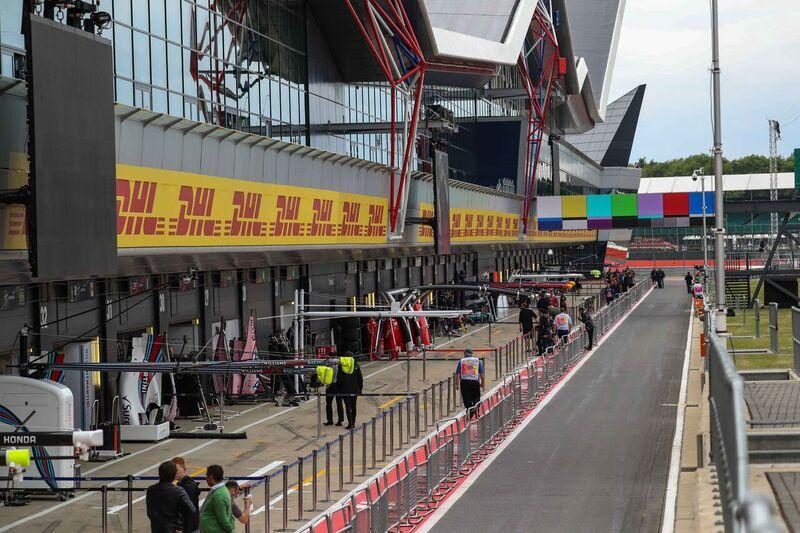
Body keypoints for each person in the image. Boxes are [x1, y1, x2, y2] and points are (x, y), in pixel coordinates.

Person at [145, 460, 196, 533]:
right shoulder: (178, 491)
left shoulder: (151, 489)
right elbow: (192, 510)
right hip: (174, 528)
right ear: (174, 474)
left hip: (156, 528)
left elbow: (150, 512)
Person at [199, 465, 236, 533]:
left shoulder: (218, 495)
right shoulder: (221, 490)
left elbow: (223, 520)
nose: (206, 478)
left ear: (211, 477)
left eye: (206, 476)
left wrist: (231, 531)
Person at [173, 456, 200, 533]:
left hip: (189, 528)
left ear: (184, 469)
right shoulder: (182, 484)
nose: (174, 472)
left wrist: (182, 528)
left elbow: (189, 510)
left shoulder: (187, 487)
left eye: (177, 470)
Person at [337, 353, 363, 429]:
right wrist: (360, 389)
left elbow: (339, 380)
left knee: (348, 406)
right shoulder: (356, 366)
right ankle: (353, 422)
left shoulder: (341, 366)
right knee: (353, 406)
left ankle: (350, 423)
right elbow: (360, 379)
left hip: (345, 390)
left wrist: (339, 389)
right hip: (355, 390)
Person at [455, 348, 484, 418]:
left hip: (465, 382)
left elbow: (458, 373)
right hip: (475, 382)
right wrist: (483, 382)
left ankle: (471, 411)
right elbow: (481, 372)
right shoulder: (477, 361)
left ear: (465, 354)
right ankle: (475, 409)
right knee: (476, 397)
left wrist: (457, 383)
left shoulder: (462, 361)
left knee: (466, 398)